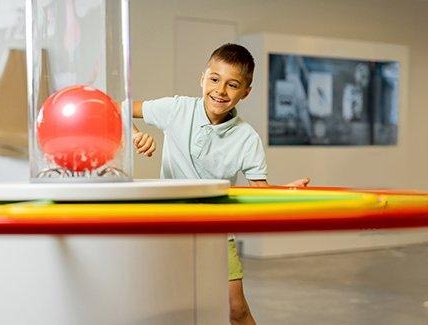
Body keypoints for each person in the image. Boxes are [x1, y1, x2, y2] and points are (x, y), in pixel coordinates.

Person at [129, 43, 310, 325]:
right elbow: (119, 109)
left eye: (232, 85)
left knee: (236, 309)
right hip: (170, 224)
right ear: (202, 78)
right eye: (214, 79)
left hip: (216, 229)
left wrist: (285, 193)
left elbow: (259, 193)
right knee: (162, 306)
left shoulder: (247, 138)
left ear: (245, 92)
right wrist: (135, 135)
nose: (220, 91)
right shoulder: (176, 109)